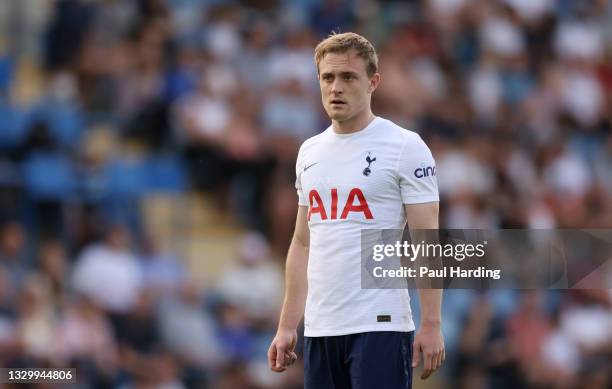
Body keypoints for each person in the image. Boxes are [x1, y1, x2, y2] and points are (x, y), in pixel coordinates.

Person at [267, 32, 445, 388]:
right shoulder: (310, 152)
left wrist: (431, 323)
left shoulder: (404, 147)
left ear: (372, 82)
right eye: (327, 77)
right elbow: (303, 242)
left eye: (348, 77)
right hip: (320, 329)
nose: (336, 87)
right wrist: (288, 325)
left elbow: (426, 239)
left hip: (380, 324)